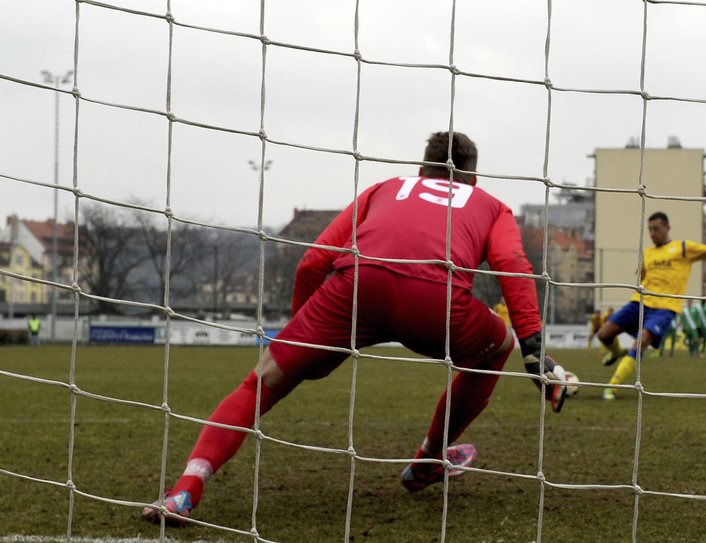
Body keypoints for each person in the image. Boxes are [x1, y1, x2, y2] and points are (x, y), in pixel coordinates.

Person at [141, 131, 569, 527]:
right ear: (473, 177)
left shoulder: (384, 189)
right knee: (500, 345)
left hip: (356, 289)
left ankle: (183, 492)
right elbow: (513, 266)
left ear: (421, 170)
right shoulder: (491, 205)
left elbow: (313, 260)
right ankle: (426, 461)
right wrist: (533, 346)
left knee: (262, 382)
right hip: (436, 301)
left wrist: (300, 331)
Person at [594, 212, 706, 400]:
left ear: (667, 228)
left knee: (642, 341)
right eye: (650, 230)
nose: (653, 233)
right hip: (639, 302)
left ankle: (612, 387)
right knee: (604, 334)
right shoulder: (647, 253)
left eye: (657, 229)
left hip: (665, 307)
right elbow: (643, 277)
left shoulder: (683, 248)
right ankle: (617, 352)